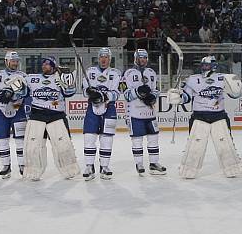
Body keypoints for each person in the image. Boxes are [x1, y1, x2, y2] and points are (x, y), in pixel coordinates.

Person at [168, 56, 242, 179]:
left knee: (225, 143)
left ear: (214, 66)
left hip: (218, 116)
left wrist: (236, 88)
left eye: (207, 65)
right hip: (199, 116)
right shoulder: (193, 79)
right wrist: (179, 98)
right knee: (194, 145)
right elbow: (187, 96)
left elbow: (235, 94)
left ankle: (232, 167)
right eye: (203, 65)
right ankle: (188, 169)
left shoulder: (223, 78)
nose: (204, 68)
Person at [22, 56, 79, 181]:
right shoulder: (32, 78)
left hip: (56, 115)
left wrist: (68, 84)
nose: (44, 66)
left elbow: (70, 93)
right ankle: (33, 170)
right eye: (43, 64)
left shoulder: (60, 77)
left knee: (63, 145)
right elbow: (22, 93)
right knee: (34, 146)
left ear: (53, 66)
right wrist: (17, 89)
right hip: (37, 115)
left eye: (47, 64)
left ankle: (69, 169)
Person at [122, 48, 166, 175]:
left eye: (145, 57)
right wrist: (138, 92)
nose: (143, 60)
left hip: (150, 113)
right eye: (141, 57)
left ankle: (153, 163)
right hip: (134, 113)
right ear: (135, 58)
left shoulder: (151, 72)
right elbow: (125, 94)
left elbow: (156, 89)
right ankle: (139, 164)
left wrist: (153, 97)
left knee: (153, 138)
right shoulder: (128, 73)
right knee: (137, 139)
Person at [82, 47, 122, 180]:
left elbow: (117, 93)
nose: (104, 59)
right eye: (101, 57)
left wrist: (104, 96)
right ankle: (89, 166)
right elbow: (84, 91)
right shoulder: (89, 72)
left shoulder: (116, 73)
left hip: (109, 108)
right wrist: (90, 93)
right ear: (98, 58)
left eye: (106, 57)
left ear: (110, 59)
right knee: (89, 138)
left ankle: (104, 167)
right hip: (92, 108)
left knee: (106, 139)